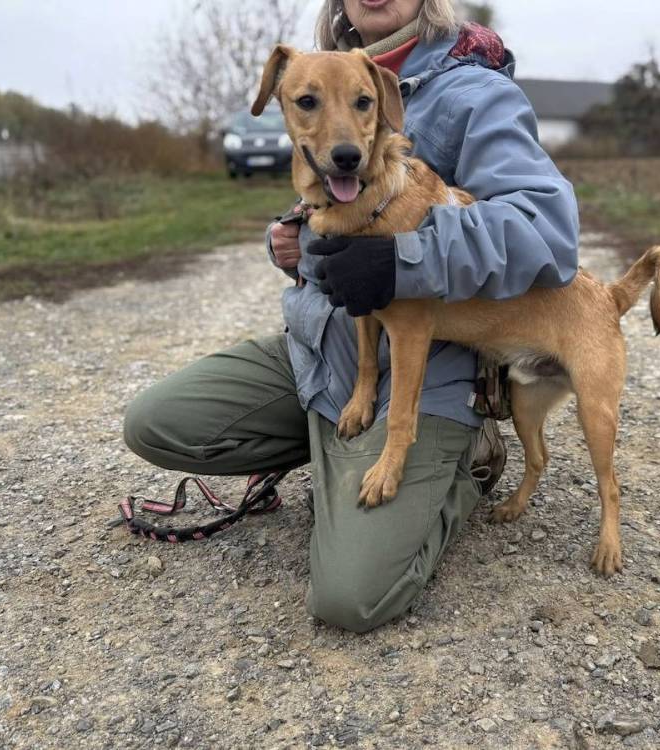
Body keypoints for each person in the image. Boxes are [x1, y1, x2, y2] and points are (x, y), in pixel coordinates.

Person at [123, 0, 579, 633]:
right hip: (322, 349)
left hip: (429, 370)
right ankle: (335, 451)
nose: (339, 127)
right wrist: (294, 241)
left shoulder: (476, 91)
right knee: (156, 424)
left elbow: (549, 233)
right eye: (308, 104)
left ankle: (464, 463)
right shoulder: (313, 70)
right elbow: (330, 205)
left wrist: (405, 261)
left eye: (362, 106)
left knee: (351, 596)